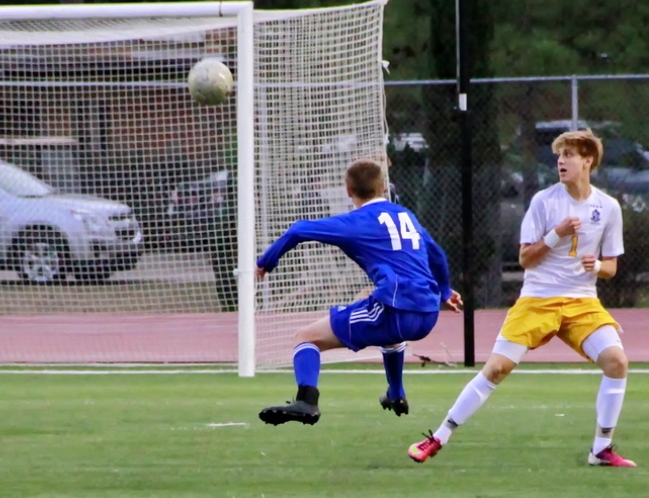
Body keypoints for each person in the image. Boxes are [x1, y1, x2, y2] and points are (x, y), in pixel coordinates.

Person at [408, 130, 635, 467]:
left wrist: (599, 265)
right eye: (559, 155)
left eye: (569, 155)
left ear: (588, 161)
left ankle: (601, 449)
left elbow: (612, 267)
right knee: (496, 369)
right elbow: (527, 258)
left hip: (582, 303)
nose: (561, 161)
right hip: (537, 300)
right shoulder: (544, 201)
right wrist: (557, 235)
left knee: (617, 362)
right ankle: (438, 437)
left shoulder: (608, 207)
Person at [256, 159, 462, 426]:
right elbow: (437, 254)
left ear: (348, 190)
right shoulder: (405, 215)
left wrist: (265, 262)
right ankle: (396, 393)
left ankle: (306, 401)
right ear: (383, 187)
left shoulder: (356, 221)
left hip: (396, 309)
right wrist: (445, 291)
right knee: (388, 333)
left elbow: (298, 230)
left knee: (306, 337)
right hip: (428, 312)